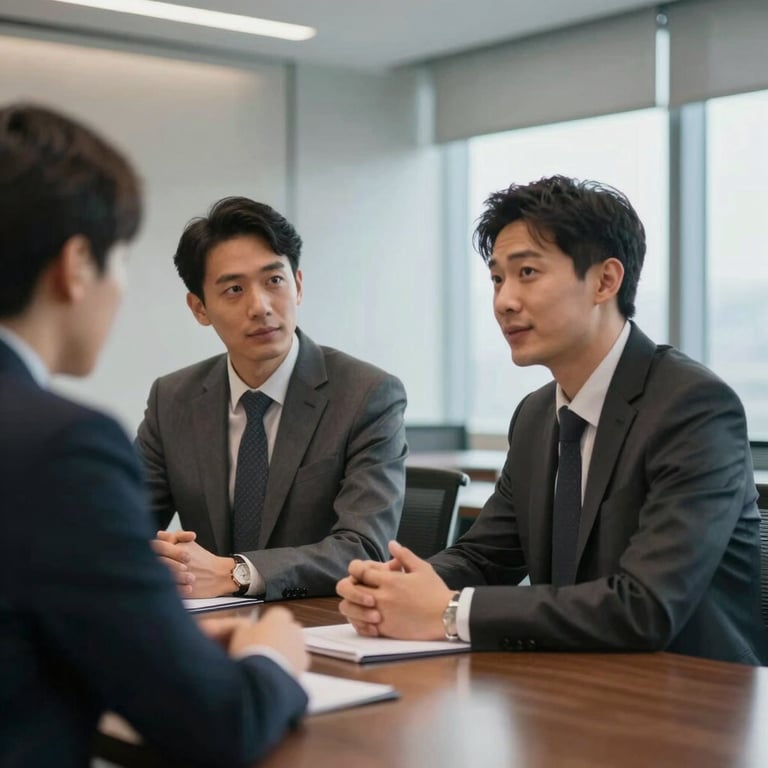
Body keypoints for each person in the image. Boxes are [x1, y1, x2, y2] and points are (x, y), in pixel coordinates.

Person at [337, 175, 766, 665]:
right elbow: (485, 557)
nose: (503, 301)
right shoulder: (537, 414)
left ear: (605, 281)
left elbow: (646, 606)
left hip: (691, 698)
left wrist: (450, 610)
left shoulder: (694, 407)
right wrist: (395, 588)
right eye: (498, 278)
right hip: (569, 681)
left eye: (527, 273)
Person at [0, 103, 309, 767]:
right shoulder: (61, 446)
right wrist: (272, 660)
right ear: (77, 264)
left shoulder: (364, 391)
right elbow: (219, 725)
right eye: (120, 259)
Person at [136, 196, 407, 602]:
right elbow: (121, 525)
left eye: (274, 281)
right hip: (208, 628)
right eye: (233, 289)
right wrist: (159, 557)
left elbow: (362, 546)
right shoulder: (172, 399)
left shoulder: (366, 394)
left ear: (297, 285)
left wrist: (235, 573)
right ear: (199, 308)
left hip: (319, 626)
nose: (260, 307)